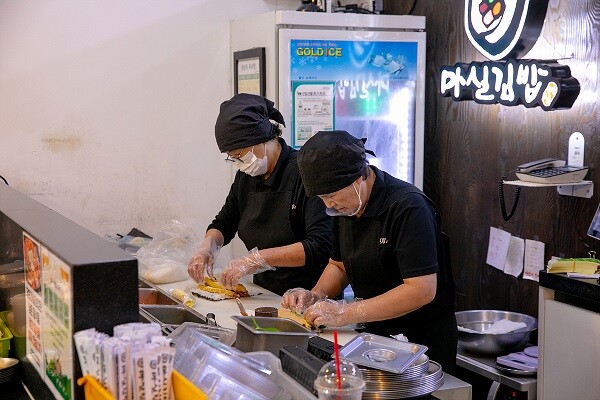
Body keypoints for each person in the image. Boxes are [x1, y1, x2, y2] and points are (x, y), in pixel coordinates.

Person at [281, 130, 457, 372]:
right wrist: (317, 294)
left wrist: (347, 312)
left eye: (331, 196)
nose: (328, 205)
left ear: (358, 178)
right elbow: (338, 265)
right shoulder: (346, 208)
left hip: (419, 346)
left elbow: (421, 290)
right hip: (373, 339)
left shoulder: (409, 207)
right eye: (322, 198)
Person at [187, 93, 333, 296]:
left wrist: (256, 259)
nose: (239, 162)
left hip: (309, 294)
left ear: (261, 138)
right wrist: (206, 247)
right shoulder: (246, 177)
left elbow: (321, 245)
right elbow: (224, 223)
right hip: (263, 292)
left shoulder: (306, 172)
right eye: (232, 157)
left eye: (240, 154)